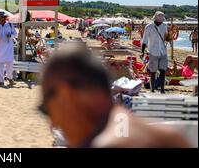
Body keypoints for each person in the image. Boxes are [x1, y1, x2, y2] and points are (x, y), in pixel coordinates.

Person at [39, 47, 191, 148]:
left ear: (66, 95)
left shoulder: (106, 142)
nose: (52, 124)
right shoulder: (167, 137)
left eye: (46, 109)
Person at [141, 12, 169, 94]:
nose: (161, 22)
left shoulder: (164, 26)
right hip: (153, 51)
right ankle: (152, 89)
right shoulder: (149, 27)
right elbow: (144, 40)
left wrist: (169, 37)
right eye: (159, 21)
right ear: (155, 20)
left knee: (163, 71)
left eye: (161, 21)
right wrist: (142, 52)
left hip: (163, 51)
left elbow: (166, 37)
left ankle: (162, 90)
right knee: (153, 72)